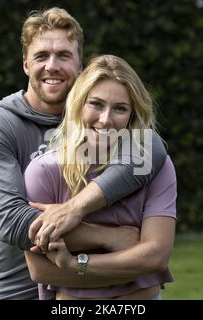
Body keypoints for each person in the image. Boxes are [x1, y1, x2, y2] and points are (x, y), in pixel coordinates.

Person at [0, 8, 167, 299]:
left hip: (86, 285)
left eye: (63, 55)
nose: (52, 66)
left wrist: (75, 209)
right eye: (41, 56)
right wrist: (106, 236)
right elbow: (11, 220)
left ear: (79, 65)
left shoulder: (98, 120)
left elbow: (151, 148)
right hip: (11, 289)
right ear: (25, 63)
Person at [24, 55, 177, 300]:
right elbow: (41, 269)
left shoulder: (155, 166)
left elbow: (155, 256)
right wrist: (114, 243)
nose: (105, 119)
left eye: (120, 108)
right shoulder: (44, 171)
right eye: (96, 104)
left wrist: (75, 264)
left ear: (132, 116)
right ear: (79, 104)